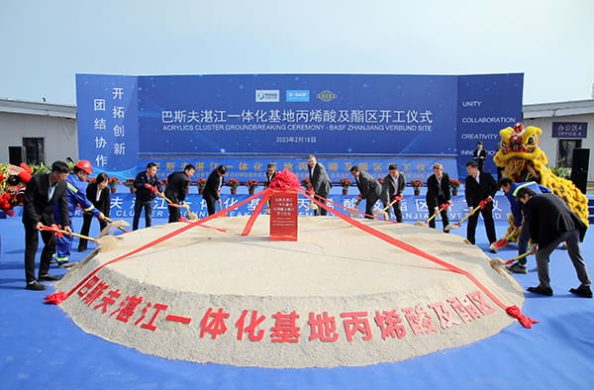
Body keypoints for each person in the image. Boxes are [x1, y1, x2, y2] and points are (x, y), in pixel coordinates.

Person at [516, 188, 592, 298]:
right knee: (576, 256)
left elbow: (532, 224)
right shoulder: (550, 196)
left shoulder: (531, 203)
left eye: (522, 200)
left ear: (526, 196)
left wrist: (534, 243)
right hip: (574, 225)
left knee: (541, 255)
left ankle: (544, 287)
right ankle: (586, 286)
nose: (523, 203)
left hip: (559, 229)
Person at [22, 161, 71, 290]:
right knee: (32, 246)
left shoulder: (62, 185)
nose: (65, 178)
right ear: (55, 173)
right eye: (63, 176)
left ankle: (43, 273)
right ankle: (30, 281)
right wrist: (35, 221)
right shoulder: (37, 180)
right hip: (31, 217)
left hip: (47, 217)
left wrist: (66, 224)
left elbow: (63, 204)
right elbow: (28, 202)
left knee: (51, 244)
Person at [53, 160, 104, 267]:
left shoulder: (69, 178)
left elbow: (71, 197)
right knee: (67, 235)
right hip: (64, 213)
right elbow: (85, 202)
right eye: (87, 174)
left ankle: (53, 255)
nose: (87, 177)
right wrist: (98, 213)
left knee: (56, 234)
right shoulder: (77, 184)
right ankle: (62, 260)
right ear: (80, 172)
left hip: (55, 210)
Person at [498, 178, 550, 274]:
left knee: (523, 239)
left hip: (534, 215)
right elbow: (546, 190)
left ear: (507, 186)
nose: (504, 191)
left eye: (503, 189)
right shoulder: (528, 184)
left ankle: (522, 265)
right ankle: (544, 264)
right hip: (547, 212)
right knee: (542, 239)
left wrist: (517, 225)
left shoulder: (513, 193)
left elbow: (516, 210)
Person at [464, 161, 497, 249]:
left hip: (487, 202)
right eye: (467, 169)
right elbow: (468, 194)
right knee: (472, 222)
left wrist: (491, 195)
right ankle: (470, 242)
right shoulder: (468, 179)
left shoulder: (486, 176)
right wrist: (470, 207)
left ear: (475, 168)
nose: (468, 171)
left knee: (489, 222)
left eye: (469, 169)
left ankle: (493, 243)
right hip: (475, 204)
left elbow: (495, 186)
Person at [78, 172, 111, 251]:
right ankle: (82, 246)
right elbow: (85, 199)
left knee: (104, 226)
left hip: (100, 208)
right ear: (99, 182)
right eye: (104, 182)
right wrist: (85, 209)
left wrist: (106, 216)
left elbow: (107, 203)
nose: (105, 184)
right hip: (90, 207)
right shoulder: (91, 186)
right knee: (86, 225)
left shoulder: (106, 189)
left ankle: (104, 245)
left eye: (106, 182)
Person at [133, 162, 162, 230]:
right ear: (148, 169)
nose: (154, 172)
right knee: (137, 216)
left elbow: (159, 185)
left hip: (149, 200)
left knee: (148, 217)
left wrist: (161, 191)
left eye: (155, 170)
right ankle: (134, 230)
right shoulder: (140, 175)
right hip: (140, 198)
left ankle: (148, 231)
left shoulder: (155, 177)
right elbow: (136, 184)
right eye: (153, 170)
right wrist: (144, 185)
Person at [425, 163, 452, 231]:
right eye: (436, 171)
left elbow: (447, 188)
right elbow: (432, 194)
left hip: (442, 198)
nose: (438, 172)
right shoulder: (430, 179)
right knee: (432, 215)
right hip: (432, 199)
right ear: (434, 171)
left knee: (444, 215)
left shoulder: (446, 176)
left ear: (442, 170)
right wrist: (435, 207)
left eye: (440, 170)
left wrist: (448, 199)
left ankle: (446, 231)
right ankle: (432, 231)